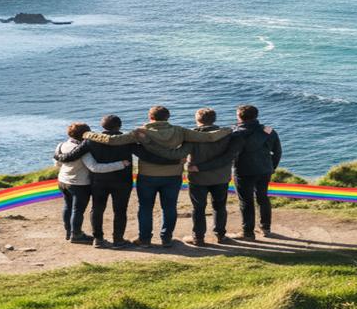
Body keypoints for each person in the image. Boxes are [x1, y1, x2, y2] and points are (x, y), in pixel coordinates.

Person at [83, 106, 230, 247]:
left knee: (146, 207)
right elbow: (209, 137)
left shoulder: (141, 132)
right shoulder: (180, 131)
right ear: (167, 117)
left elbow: (112, 140)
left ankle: (145, 239)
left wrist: (88, 134)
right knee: (169, 207)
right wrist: (228, 129)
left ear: (150, 117)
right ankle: (166, 239)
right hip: (173, 174)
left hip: (148, 175)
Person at [192, 104, 281, 240]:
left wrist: (202, 167)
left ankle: (248, 232)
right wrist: (271, 167)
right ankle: (266, 228)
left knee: (246, 201)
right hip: (264, 170)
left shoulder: (237, 134)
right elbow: (277, 152)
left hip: (243, 171)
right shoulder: (268, 131)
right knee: (263, 198)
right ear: (256, 116)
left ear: (239, 117)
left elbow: (228, 156)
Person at [53, 122, 130, 244]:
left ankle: (69, 232)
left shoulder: (61, 145)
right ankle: (76, 235)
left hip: (62, 180)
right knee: (77, 210)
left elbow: (57, 163)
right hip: (79, 183)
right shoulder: (84, 150)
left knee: (68, 207)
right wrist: (120, 164)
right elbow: (95, 168)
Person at [182, 108, 234, 246]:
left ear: (197, 119)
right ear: (214, 119)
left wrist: (186, 166)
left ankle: (198, 238)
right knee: (219, 206)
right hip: (221, 177)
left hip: (198, 178)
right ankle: (221, 235)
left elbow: (182, 154)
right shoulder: (226, 134)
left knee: (198, 208)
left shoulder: (191, 135)